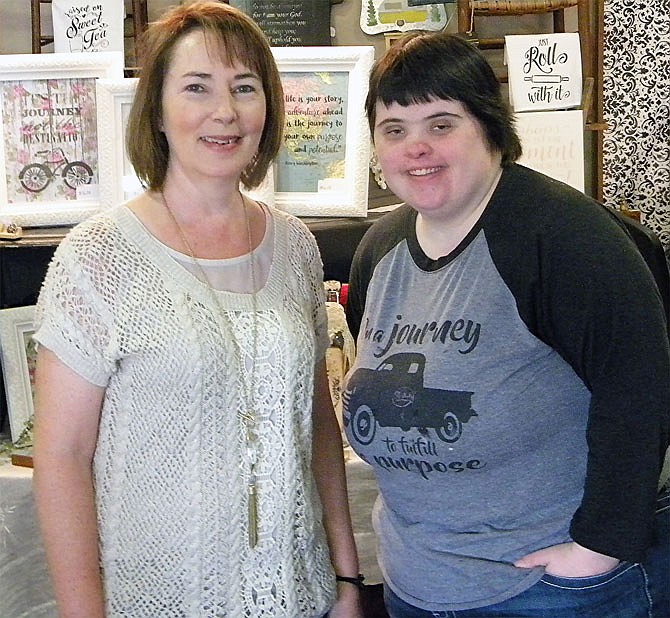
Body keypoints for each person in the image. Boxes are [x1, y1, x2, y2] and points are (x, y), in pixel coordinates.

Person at [31, 3, 362, 617]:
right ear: (156, 110)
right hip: (160, 599)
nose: (225, 112)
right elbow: (62, 457)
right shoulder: (99, 255)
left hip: (300, 595)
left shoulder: (295, 247)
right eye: (196, 88)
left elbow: (317, 427)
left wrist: (347, 581)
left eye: (244, 88)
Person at [344, 31, 670, 617]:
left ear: (490, 127)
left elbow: (641, 388)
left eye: (441, 124)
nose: (415, 146)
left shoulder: (564, 237)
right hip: (417, 580)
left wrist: (600, 546)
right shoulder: (379, 249)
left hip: (548, 587)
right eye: (395, 130)